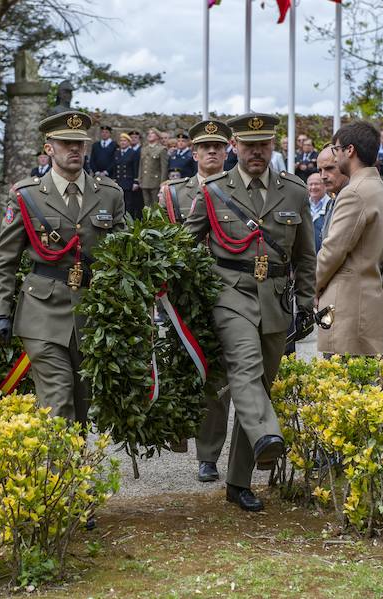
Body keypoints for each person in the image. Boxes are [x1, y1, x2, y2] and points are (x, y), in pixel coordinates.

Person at [185, 112, 316, 512]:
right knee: (245, 367)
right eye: (248, 145)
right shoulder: (214, 190)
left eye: (263, 144)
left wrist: (307, 302)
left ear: (272, 146)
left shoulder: (293, 191)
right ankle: (269, 436)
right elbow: (185, 245)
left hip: (275, 299)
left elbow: (305, 254)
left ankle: (238, 481)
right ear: (234, 148)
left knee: (259, 384)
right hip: (229, 295)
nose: (256, 152)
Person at [0, 110, 125, 423]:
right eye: (66, 143)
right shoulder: (27, 195)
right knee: (58, 398)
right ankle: (57, 471)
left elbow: (124, 257)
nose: (74, 149)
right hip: (42, 312)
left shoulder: (110, 194)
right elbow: (5, 259)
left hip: (91, 313)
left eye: (79, 142)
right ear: (49, 148)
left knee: (82, 403)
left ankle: (69, 471)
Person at [160, 119, 233, 483]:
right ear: (193, 153)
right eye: (205, 147)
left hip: (223, 291)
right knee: (180, 368)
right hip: (182, 297)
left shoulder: (237, 191)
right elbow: (163, 244)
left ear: (227, 151)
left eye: (218, 147)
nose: (212, 152)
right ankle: (176, 433)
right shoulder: (172, 193)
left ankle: (208, 455)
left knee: (216, 379)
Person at [317, 120, 383, 357]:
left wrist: (313, 286)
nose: (336, 155)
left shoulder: (354, 192)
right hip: (367, 299)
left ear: (350, 150)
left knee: (342, 386)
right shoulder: (379, 187)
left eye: (337, 149)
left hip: (347, 306)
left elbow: (333, 250)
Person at [113, 132, 142, 219]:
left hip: (128, 181)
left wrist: (136, 181)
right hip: (119, 181)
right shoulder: (117, 153)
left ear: (129, 142)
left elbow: (136, 168)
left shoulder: (133, 153)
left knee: (129, 203)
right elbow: (115, 167)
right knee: (119, 203)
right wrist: (114, 179)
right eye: (121, 141)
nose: (122, 143)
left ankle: (129, 221)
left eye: (125, 141)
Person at [139, 128, 168, 207]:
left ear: (158, 136)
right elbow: (141, 166)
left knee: (156, 206)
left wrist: (163, 182)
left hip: (156, 182)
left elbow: (164, 168)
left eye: (152, 133)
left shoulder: (161, 149)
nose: (149, 135)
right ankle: (147, 220)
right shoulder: (144, 149)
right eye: (149, 133)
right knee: (146, 206)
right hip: (145, 181)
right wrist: (140, 179)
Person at [306, 173, 331, 252]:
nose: (313, 187)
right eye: (310, 184)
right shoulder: (302, 205)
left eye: (316, 184)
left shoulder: (332, 206)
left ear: (324, 186)